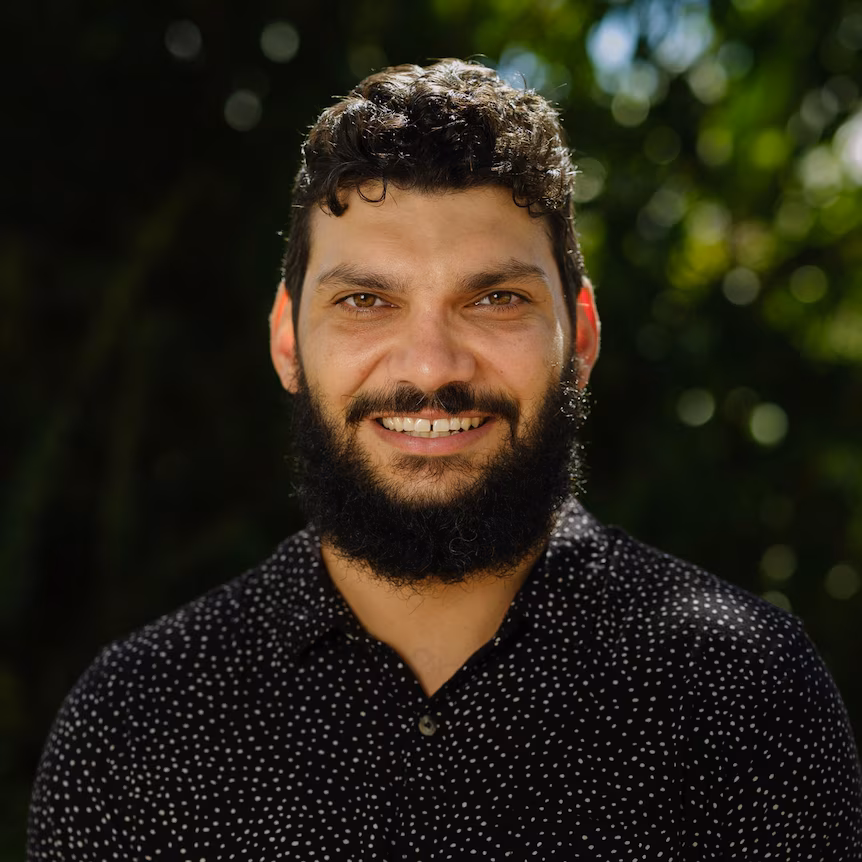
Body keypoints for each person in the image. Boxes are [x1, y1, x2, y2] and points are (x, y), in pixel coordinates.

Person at [28, 59, 861, 861]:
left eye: (496, 299)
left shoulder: (745, 694)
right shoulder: (137, 723)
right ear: (287, 339)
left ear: (582, 336)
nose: (430, 369)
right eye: (365, 301)